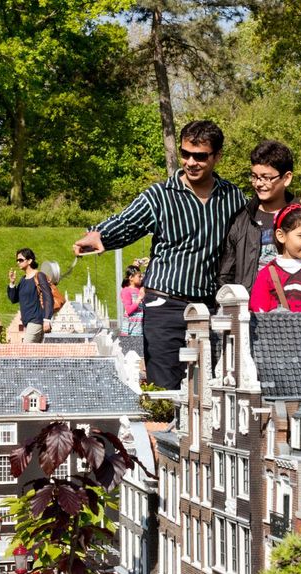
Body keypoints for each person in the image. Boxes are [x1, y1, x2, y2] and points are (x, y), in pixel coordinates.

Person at [72, 120, 246, 390]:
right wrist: (99, 234)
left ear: (217, 156)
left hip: (210, 307)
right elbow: (128, 221)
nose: (190, 162)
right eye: (185, 154)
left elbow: (258, 225)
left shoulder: (232, 197)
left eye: (200, 156)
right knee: (166, 389)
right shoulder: (160, 195)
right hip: (165, 306)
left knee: (211, 390)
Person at [219, 140, 301, 292]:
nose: (258, 183)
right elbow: (226, 274)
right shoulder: (242, 219)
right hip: (250, 311)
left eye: (266, 178)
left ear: (287, 178)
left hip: (297, 310)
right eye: (254, 176)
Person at [7, 248, 53, 343]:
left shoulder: (39, 276)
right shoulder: (23, 279)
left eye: (21, 260)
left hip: (36, 321)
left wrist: (47, 320)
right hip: (28, 323)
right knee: (33, 355)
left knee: (24, 352)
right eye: (17, 260)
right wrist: (12, 283)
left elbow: (48, 297)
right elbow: (13, 299)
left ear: (29, 261)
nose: (18, 262)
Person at [120, 265, 144, 336]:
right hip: (130, 330)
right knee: (132, 347)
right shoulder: (126, 291)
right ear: (131, 278)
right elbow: (129, 310)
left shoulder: (139, 289)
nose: (141, 278)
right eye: (139, 276)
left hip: (140, 328)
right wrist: (139, 299)